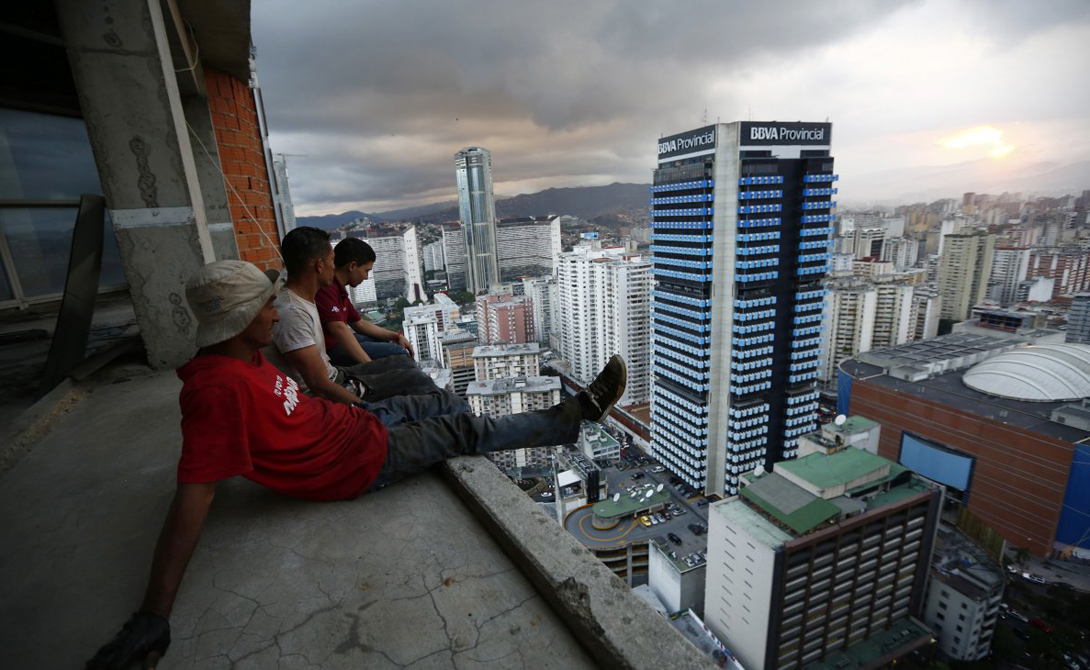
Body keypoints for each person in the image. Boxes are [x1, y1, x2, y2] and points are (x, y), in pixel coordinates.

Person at [85, 260, 627, 669]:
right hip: (354, 462)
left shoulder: (239, 357)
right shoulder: (215, 391)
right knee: (462, 428)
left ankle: (467, 437)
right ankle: (569, 417)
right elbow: (195, 492)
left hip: (354, 425)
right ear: (239, 320)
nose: (276, 314)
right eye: (266, 307)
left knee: (430, 400)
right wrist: (154, 613)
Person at [263, 226, 427, 405]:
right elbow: (320, 384)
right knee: (412, 377)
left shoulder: (308, 298)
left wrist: (395, 336)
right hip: (335, 382)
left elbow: (358, 323)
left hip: (336, 374)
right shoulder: (293, 312)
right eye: (332, 261)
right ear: (319, 265)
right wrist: (366, 405)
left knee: (407, 369)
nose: (334, 267)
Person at [315, 236, 415, 366]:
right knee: (398, 352)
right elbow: (338, 328)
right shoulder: (327, 288)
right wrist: (369, 366)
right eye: (366, 270)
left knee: (384, 342)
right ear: (352, 266)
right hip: (331, 350)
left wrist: (396, 336)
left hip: (337, 344)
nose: (366, 277)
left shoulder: (339, 290)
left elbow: (359, 324)